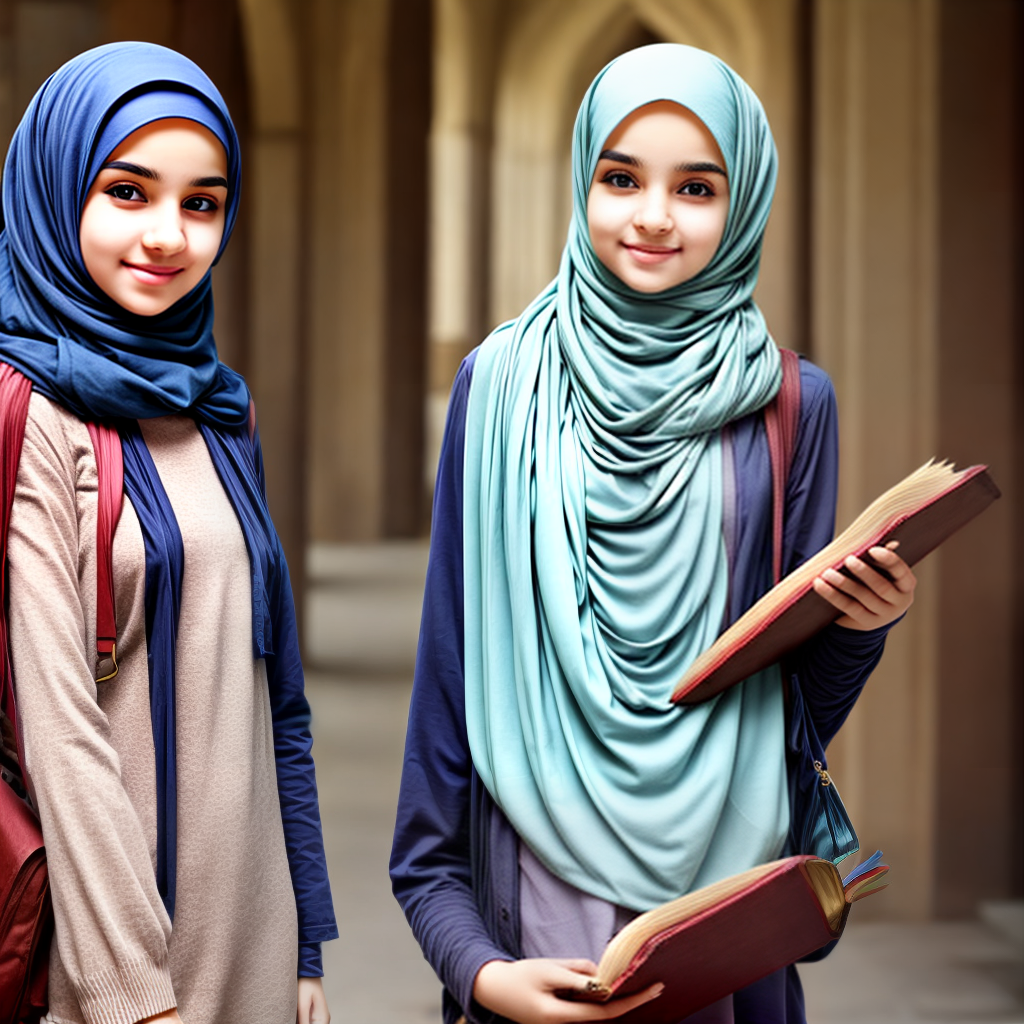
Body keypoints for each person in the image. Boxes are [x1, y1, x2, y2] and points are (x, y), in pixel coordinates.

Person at [390, 43, 916, 1024]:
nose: (651, 216)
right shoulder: (497, 389)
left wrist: (857, 629)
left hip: (720, 909)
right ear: (581, 176)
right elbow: (446, 701)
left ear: (745, 199)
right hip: (533, 917)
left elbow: (786, 720)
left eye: (696, 186)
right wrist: (474, 967)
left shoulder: (790, 406)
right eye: (620, 176)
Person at [0, 43, 337, 1024]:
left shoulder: (222, 411)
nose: (167, 236)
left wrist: (305, 936)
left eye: (201, 202)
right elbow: (61, 734)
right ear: (59, 191)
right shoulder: (32, 417)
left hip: (257, 939)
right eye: (128, 192)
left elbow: (277, 696)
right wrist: (129, 995)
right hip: (120, 965)